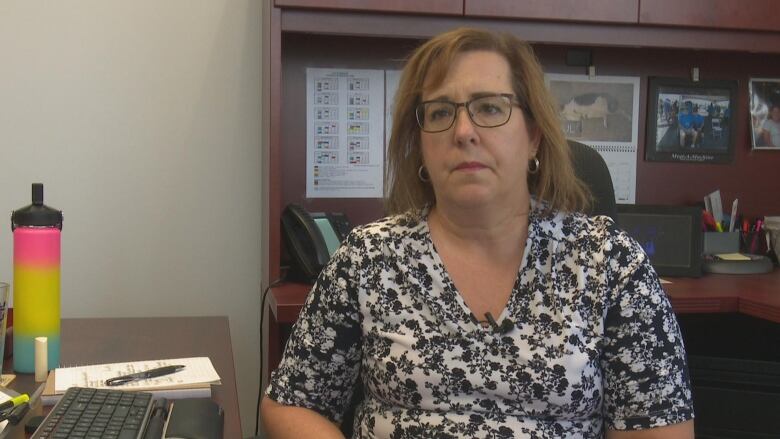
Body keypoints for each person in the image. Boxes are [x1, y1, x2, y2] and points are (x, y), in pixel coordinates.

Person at [262, 27, 694, 438]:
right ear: (421, 144)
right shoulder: (368, 257)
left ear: (534, 136)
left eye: (490, 107)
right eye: (440, 112)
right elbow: (291, 402)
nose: (463, 132)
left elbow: (657, 429)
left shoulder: (611, 265)